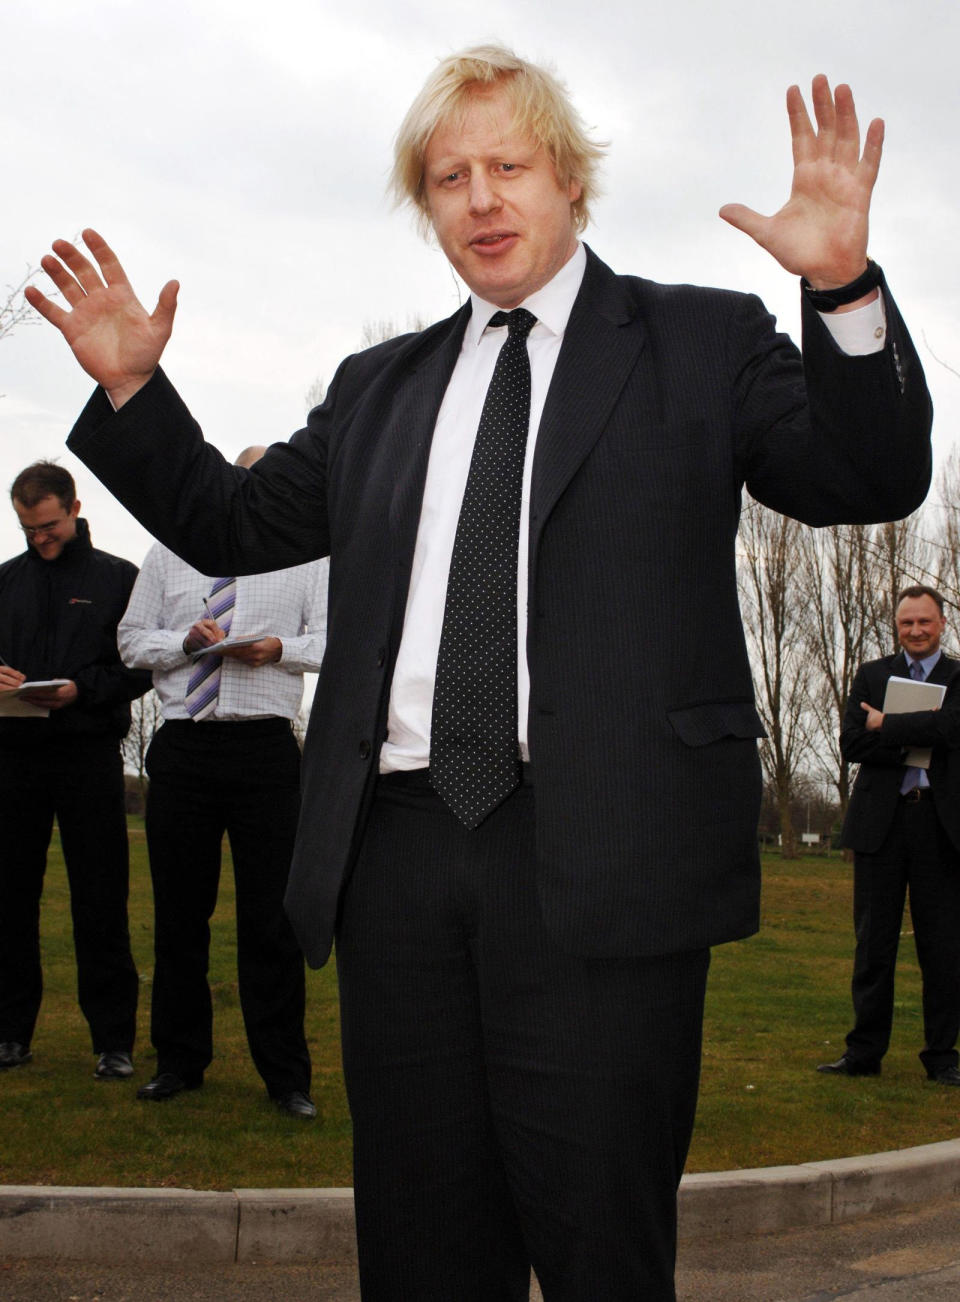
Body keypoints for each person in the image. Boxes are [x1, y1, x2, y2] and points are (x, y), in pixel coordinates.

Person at [27, 44, 932, 1302]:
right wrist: (132, 385)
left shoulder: (697, 341)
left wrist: (843, 291)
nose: (481, 198)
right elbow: (235, 526)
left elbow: (867, 478)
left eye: (508, 165)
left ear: (568, 181)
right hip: (395, 862)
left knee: (601, 1248)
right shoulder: (378, 389)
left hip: (602, 860)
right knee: (422, 1248)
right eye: (449, 177)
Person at [117, 446, 327, 1118]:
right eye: (252, 480)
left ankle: (286, 1077)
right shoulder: (169, 553)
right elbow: (129, 640)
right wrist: (183, 643)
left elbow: (333, 640)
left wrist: (278, 649)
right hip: (185, 750)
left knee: (273, 920)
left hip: (265, 752)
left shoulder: (310, 557)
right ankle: (179, 1062)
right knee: (180, 917)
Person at [0, 461, 150, 1080]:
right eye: (28, 528)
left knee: (99, 900)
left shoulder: (119, 579)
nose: (40, 539)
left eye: (50, 525)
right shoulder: (5, 581)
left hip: (88, 757)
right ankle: (10, 1034)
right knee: (9, 901)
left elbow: (141, 668)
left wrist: (80, 691)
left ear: (75, 507)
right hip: (12, 757)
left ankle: (113, 1042)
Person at [819, 585, 960, 1086]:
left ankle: (942, 1056)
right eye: (907, 624)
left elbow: (954, 730)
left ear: (942, 623)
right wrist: (914, 736)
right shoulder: (873, 674)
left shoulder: (958, 675)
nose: (916, 631)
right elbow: (854, 742)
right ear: (896, 626)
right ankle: (863, 1054)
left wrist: (890, 725)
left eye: (925, 622)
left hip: (941, 828)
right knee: (873, 944)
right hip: (881, 826)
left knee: (943, 948)